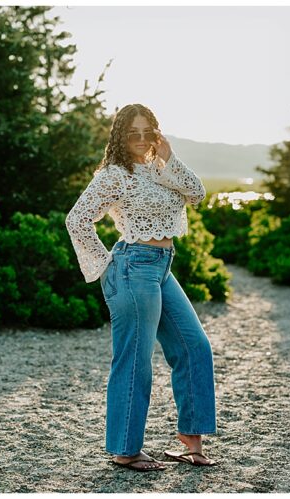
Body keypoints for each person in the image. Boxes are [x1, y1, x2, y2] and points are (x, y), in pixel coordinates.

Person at [66, 104, 218, 471]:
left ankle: (190, 443)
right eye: (131, 133)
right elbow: (77, 219)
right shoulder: (114, 175)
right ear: (119, 136)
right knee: (135, 360)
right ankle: (125, 450)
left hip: (163, 268)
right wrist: (105, 267)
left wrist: (169, 156)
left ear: (156, 133)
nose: (139, 139)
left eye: (146, 131)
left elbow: (197, 193)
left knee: (195, 346)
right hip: (133, 268)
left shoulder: (160, 169)